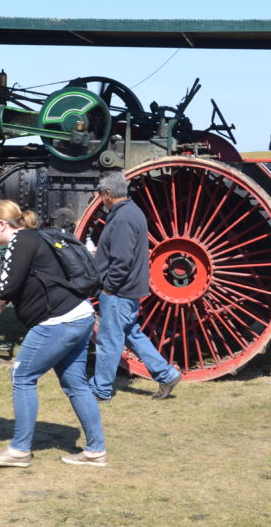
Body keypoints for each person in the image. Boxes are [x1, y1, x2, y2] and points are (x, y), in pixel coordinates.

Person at [0, 200, 107, 468]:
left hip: (59, 320)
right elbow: (5, 299)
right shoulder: (30, 240)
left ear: (2, 224)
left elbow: (3, 290)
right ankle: (95, 451)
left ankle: (19, 450)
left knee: (22, 376)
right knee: (75, 384)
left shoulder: (21, 241)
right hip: (79, 315)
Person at [89, 171, 182, 402]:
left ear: (108, 193)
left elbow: (122, 260)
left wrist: (109, 287)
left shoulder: (123, 218)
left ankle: (101, 389)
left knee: (109, 340)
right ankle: (166, 374)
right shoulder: (131, 212)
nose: (100, 199)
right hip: (128, 289)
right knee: (132, 333)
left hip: (119, 291)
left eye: (100, 194)